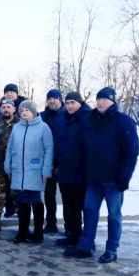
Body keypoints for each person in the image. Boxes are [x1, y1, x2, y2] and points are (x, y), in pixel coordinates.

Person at [64, 87, 139, 263]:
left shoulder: (124, 122)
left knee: (114, 215)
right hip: (93, 179)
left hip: (114, 180)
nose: (100, 102)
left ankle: (111, 249)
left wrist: (124, 177)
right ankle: (85, 246)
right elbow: (82, 149)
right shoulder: (90, 121)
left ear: (113, 101)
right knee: (89, 212)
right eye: (98, 99)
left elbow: (132, 152)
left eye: (105, 99)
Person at [4, 100, 54, 243]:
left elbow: (49, 149)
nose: (24, 112)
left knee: (36, 201)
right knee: (22, 202)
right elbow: (10, 148)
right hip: (19, 170)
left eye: (27, 110)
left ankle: (38, 233)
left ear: (34, 111)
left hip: (35, 171)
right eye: (22, 110)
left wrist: (46, 170)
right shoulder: (16, 128)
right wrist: (8, 166)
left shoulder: (43, 128)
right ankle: (23, 232)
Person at [55, 92, 91, 246]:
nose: (70, 106)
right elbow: (59, 144)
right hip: (65, 171)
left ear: (80, 103)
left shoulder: (87, 119)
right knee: (68, 206)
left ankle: (82, 238)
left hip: (80, 172)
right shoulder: (64, 119)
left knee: (79, 206)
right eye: (67, 103)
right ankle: (71, 234)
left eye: (72, 103)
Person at [0, 98, 19, 234]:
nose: (6, 110)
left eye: (9, 107)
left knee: (18, 195)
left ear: (14, 109)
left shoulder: (21, 124)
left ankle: (22, 226)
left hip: (16, 168)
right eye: (3, 107)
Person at [40, 89, 66, 233]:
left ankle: (70, 227)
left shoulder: (67, 116)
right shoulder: (43, 117)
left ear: (60, 100)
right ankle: (50, 223)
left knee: (67, 196)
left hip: (63, 164)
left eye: (55, 98)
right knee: (48, 196)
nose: (51, 101)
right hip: (47, 163)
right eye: (49, 98)